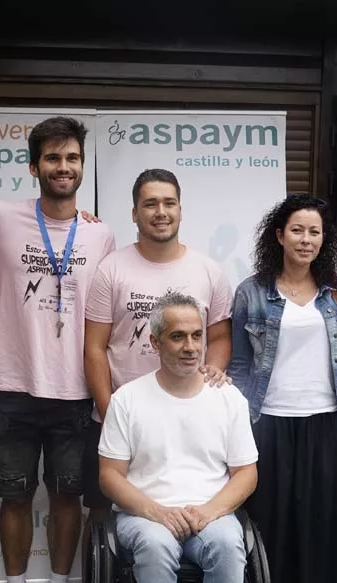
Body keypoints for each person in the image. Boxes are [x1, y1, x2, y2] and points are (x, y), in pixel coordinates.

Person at [0, 117, 116, 583]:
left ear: (82, 167)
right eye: (52, 158)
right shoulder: (2, 217)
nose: (63, 167)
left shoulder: (101, 232)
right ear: (33, 167)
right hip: (12, 386)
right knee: (13, 495)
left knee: (66, 497)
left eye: (72, 158)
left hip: (75, 392)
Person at [99, 293, 258, 583]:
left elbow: (246, 474)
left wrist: (208, 512)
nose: (189, 346)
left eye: (196, 336)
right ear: (154, 342)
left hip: (209, 513)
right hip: (144, 515)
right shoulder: (128, 399)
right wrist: (156, 511)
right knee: (153, 546)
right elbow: (110, 476)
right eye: (177, 337)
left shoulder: (228, 399)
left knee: (229, 544)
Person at [229, 194, 337, 583]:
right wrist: (241, 419)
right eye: (298, 230)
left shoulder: (334, 293)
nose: (307, 239)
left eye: (315, 232)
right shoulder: (251, 291)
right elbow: (241, 365)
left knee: (319, 513)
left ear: (325, 240)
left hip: (325, 417)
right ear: (279, 235)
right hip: (269, 418)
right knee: (272, 514)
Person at [84, 168, 233, 517]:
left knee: (184, 509)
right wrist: (111, 414)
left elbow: (221, 336)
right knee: (104, 514)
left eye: (169, 203)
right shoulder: (111, 269)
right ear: (135, 214)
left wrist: (214, 369)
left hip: (188, 418)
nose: (161, 212)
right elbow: (94, 348)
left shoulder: (209, 271)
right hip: (120, 417)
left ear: (181, 210)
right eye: (150, 204)